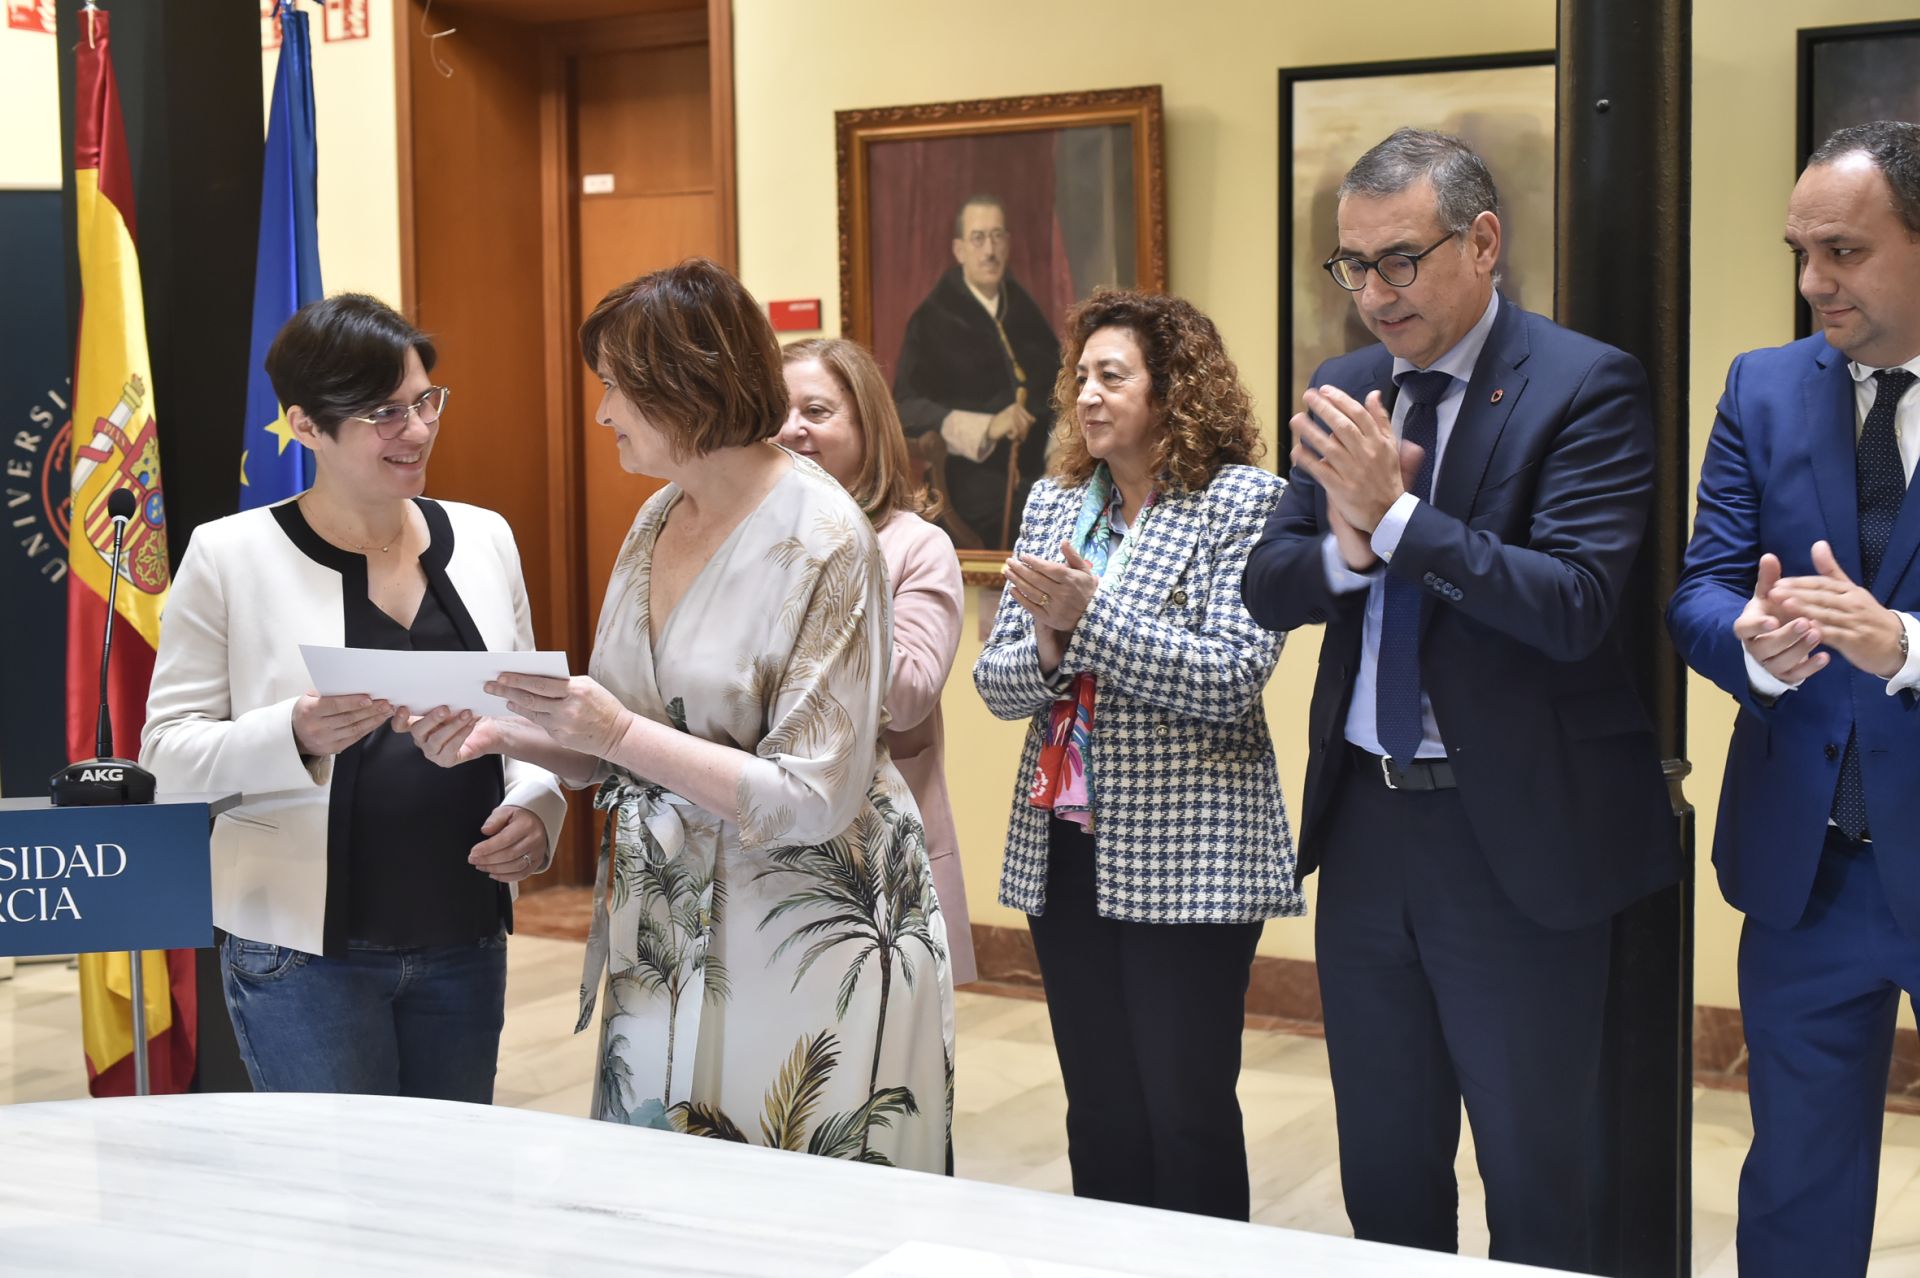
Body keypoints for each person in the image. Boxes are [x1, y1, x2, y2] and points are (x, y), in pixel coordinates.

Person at [1241, 128, 1675, 1270]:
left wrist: (1394, 522)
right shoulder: (1344, 389)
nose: (1373, 296)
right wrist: (1344, 546)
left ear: (1482, 243)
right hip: (1370, 830)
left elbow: (1573, 602)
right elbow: (1270, 582)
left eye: (1400, 261)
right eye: (1351, 266)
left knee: (1536, 1183)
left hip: (1516, 845)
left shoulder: (1585, 385)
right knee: (1384, 1173)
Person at [415, 259, 954, 1171]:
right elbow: (628, 741)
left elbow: (811, 798)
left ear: (684, 388)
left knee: (788, 1214)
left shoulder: (827, 542)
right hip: (665, 926)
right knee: (660, 1208)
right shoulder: (657, 516)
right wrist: (513, 731)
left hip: (802, 936)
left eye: (617, 389)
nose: (604, 414)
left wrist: (615, 734)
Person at [140, 293, 567, 1100]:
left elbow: (526, 720)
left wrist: (540, 808)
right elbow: (165, 759)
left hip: (465, 932)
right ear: (305, 427)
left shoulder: (484, 538)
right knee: (336, 1203)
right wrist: (293, 732)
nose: (416, 430)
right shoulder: (229, 556)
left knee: (446, 1188)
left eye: (424, 402)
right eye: (383, 414)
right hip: (304, 954)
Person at [973, 287, 1296, 1220]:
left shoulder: (1240, 504)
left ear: (1174, 390)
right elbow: (998, 687)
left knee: (1185, 1113)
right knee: (1101, 1111)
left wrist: (1086, 618)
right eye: (1080, 378)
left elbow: (1232, 675)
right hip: (1066, 849)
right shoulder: (1055, 502)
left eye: (1113, 376)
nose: (1087, 395)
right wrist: (1043, 645)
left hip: (1190, 854)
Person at [1668, 121, 1920, 1278]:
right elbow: (1701, 592)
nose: (1813, 280)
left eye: (1845, 251)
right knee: (1797, 1203)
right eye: (1799, 250)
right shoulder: (1762, 389)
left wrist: (1905, 645)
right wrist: (1755, 646)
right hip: (1806, 872)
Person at [779, 336, 975, 984]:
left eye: (816, 412)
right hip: (767, 836)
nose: (791, 430)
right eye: (779, 411)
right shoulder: (746, 540)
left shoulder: (917, 545)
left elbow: (911, 694)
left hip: (876, 851)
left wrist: (833, 568)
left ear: (868, 427)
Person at [893, 193, 1062, 551]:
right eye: (978, 238)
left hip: (1041, 468)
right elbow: (905, 407)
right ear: (959, 250)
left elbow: (1060, 387)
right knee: (1037, 513)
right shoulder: (932, 318)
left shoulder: (1024, 309)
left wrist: (1058, 452)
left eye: (997, 236)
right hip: (968, 479)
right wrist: (987, 426)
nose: (990, 250)